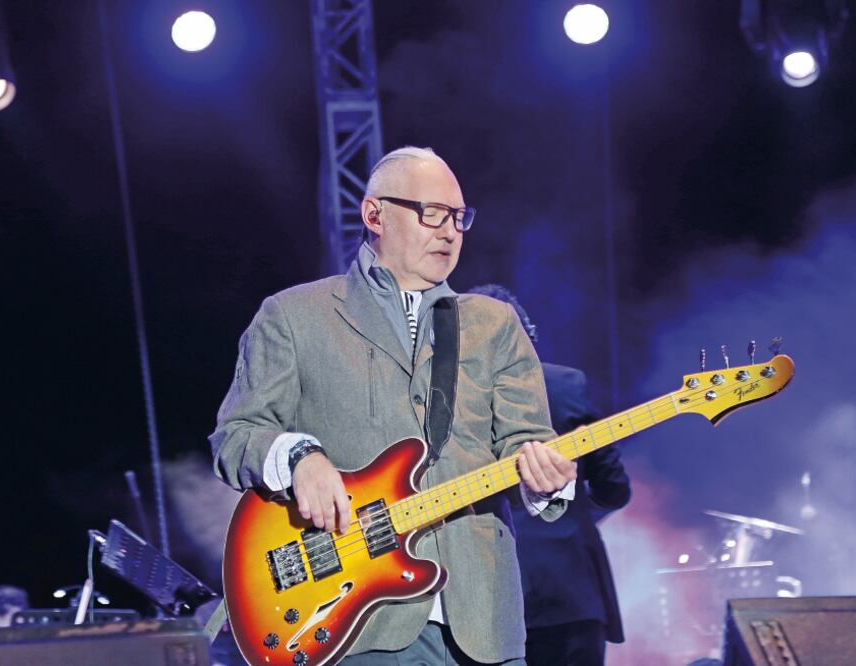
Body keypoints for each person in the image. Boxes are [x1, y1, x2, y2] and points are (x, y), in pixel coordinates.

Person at [210, 146, 576, 664]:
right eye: (432, 213)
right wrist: (299, 459)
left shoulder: (495, 324)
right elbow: (237, 433)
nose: (449, 231)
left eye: (459, 217)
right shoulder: (293, 316)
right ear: (373, 214)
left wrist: (547, 477)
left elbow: (525, 440)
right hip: (354, 619)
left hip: (483, 621)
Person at [469, 284, 631, 666]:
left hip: (488, 598)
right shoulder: (566, 385)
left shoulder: (454, 406)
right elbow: (614, 489)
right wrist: (570, 513)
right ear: (528, 336)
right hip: (571, 590)